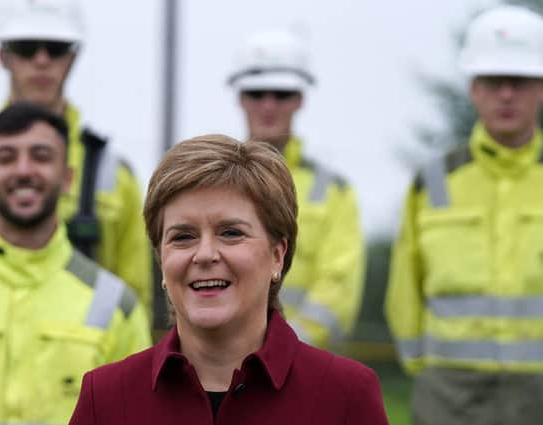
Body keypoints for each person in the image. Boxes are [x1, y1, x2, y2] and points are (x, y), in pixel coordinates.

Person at [68, 135, 389, 425]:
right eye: (183, 237)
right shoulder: (106, 397)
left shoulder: (346, 395)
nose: (205, 254)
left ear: (277, 255)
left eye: (231, 233)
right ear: (161, 259)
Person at [0, 103, 151, 425]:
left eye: (41, 156)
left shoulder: (116, 307)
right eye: (6, 158)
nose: (23, 170)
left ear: (67, 179)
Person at [0, 0, 151, 315]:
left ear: (72, 59)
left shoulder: (112, 174)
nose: (42, 60)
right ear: (3, 56)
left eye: (56, 48)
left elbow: (135, 302)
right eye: (26, 47)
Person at [386, 5, 543, 425]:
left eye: (520, 82)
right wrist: (423, 364)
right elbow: (405, 284)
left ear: (541, 88)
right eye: (494, 82)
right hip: (448, 396)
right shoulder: (434, 181)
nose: (506, 94)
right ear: (474, 88)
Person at [227, 29, 365, 349]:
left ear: (300, 99)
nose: (269, 105)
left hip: (304, 361)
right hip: (222, 359)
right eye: (257, 93)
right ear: (240, 98)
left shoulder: (334, 192)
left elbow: (339, 286)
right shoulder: (213, 184)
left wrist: (284, 346)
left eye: (281, 93)